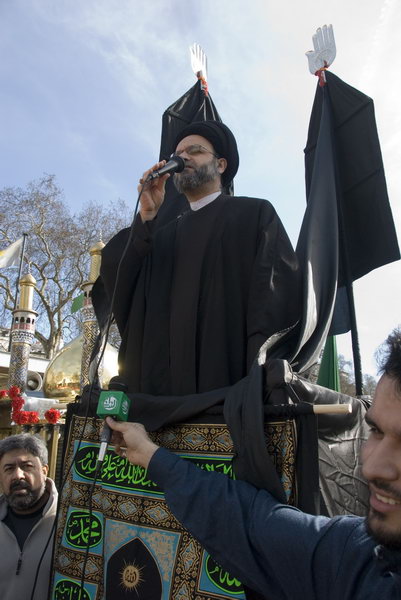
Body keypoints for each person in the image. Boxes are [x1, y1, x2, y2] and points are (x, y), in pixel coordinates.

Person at [105, 328, 401, 599]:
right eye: (375, 431)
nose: (373, 467)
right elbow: (249, 524)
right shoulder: (359, 558)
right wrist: (152, 456)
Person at [94, 121, 300, 396]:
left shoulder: (254, 215)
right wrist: (146, 216)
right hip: (162, 401)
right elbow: (123, 283)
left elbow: (274, 300)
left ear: (221, 165)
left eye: (195, 151)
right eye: (178, 154)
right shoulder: (160, 237)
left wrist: (258, 379)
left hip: (230, 393)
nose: (183, 158)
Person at [0, 434, 58, 600]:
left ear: (44, 471)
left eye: (26, 466)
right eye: (9, 468)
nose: (18, 475)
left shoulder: (69, 522)